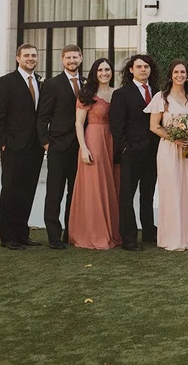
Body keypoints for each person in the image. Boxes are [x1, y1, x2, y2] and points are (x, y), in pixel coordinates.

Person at [0, 44, 45, 250]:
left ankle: (22, 234)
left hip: (35, 147)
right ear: (18, 58)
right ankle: (8, 236)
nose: (31, 58)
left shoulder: (40, 81)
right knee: (11, 190)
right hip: (13, 146)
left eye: (34, 55)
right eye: (27, 55)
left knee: (28, 190)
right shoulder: (5, 82)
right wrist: (2, 143)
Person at [68, 58, 121, 250]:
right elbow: (78, 123)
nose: (104, 73)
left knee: (112, 183)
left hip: (113, 141)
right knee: (95, 186)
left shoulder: (117, 93)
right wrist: (84, 148)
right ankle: (95, 233)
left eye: (107, 69)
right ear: (94, 73)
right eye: (100, 70)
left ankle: (112, 231)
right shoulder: (87, 94)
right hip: (94, 141)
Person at [147, 60, 188, 251]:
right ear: (170, 75)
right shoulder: (161, 97)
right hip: (169, 151)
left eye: (183, 72)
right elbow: (154, 126)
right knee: (172, 191)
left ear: (187, 75)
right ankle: (171, 237)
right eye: (176, 72)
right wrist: (174, 139)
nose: (180, 75)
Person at [109, 54, 160, 251]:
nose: (143, 70)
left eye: (146, 66)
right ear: (131, 70)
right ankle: (129, 238)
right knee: (127, 195)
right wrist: (125, 148)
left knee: (148, 194)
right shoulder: (121, 94)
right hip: (131, 152)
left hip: (153, 152)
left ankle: (148, 231)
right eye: (139, 67)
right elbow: (117, 125)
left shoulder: (157, 92)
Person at [36, 44, 83, 249]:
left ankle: (70, 234)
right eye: (68, 57)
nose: (72, 61)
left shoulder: (87, 83)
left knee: (75, 193)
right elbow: (42, 117)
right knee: (54, 193)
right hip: (58, 147)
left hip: (80, 148)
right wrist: (46, 143)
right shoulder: (52, 84)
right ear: (62, 60)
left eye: (75, 57)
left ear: (81, 58)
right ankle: (54, 236)